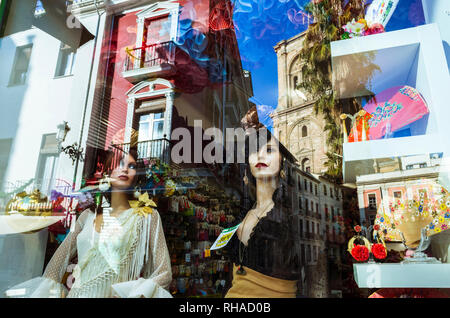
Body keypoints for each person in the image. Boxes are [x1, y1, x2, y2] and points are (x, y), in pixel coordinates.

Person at [6, 148, 172, 298]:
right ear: (107, 171)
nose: (125, 169)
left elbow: (164, 272)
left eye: (132, 166)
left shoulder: (147, 216)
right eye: (119, 163)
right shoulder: (87, 216)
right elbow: (56, 265)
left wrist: (134, 295)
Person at [224, 107, 299, 298]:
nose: (260, 155)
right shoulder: (245, 213)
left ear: (282, 161)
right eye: (254, 150)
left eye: (269, 150)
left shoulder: (289, 216)